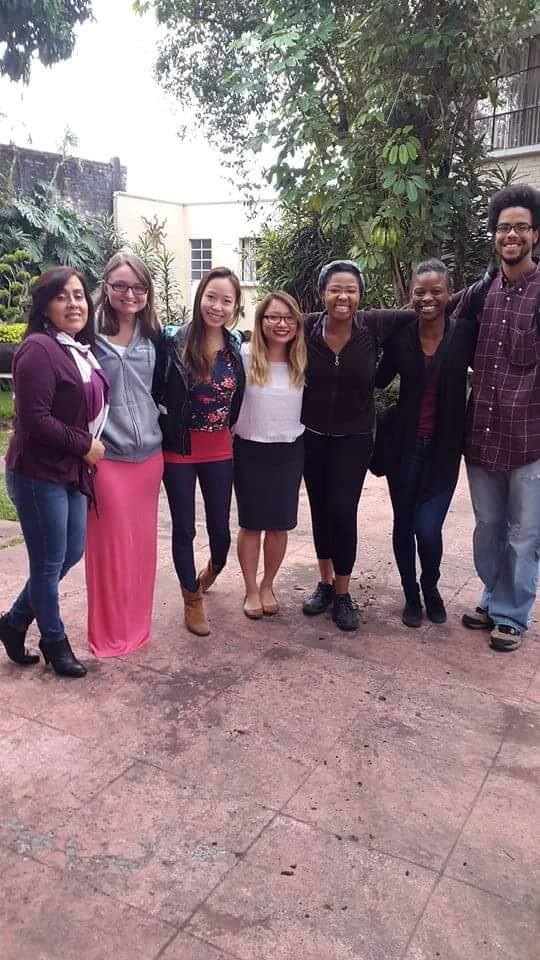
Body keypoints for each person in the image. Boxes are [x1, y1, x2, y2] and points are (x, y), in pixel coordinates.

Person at [0, 268, 107, 677]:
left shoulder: (75, 348)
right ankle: (54, 641)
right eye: (62, 297)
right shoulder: (38, 349)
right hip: (37, 472)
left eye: (79, 295)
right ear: (45, 306)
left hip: (69, 470)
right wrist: (85, 444)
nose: (74, 304)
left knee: (71, 551)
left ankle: (13, 622)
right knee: (47, 563)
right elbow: (35, 418)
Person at [301, 260, 417, 631]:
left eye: (350, 290)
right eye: (335, 289)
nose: (343, 297)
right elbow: (270, 321)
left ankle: (343, 592)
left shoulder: (373, 324)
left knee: (342, 508)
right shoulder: (306, 327)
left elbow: (424, 306)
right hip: (311, 434)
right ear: (323, 293)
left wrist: (484, 284)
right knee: (320, 508)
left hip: (354, 437)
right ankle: (324, 583)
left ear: (360, 295)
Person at [375, 258, 481, 627]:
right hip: (403, 448)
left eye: (436, 291)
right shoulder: (400, 337)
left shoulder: (465, 333)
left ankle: (430, 587)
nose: (427, 298)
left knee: (428, 528)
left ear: (449, 294)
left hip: (444, 449)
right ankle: (410, 594)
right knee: (404, 524)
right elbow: (377, 380)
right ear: (410, 295)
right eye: (419, 292)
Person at [462, 184, 540, 652]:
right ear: (494, 235)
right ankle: (492, 596)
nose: (512, 235)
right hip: (483, 435)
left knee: (524, 533)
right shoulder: (482, 292)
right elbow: (433, 312)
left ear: (535, 234)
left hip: (530, 438)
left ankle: (512, 613)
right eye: (504, 228)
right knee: (488, 528)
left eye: (521, 228)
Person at [157, 267, 245, 637]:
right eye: (211, 297)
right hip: (179, 449)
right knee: (184, 528)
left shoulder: (235, 344)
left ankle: (212, 569)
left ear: (235, 307)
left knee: (221, 532)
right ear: (200, 297)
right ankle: (191, 598)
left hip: (220, 449)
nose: (217, 306)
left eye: (226, 300)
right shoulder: (173, 340)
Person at [85, 253, 163, 657]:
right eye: (120, 286)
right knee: (111, 550)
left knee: (142, 548)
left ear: (147, 291)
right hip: (106, 457)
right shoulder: (88, 333)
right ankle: (108, 633)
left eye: (138, 287)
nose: (129, 294)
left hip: (149, 456)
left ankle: (138, 628)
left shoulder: (154, 335)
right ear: (106, 287)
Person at [233, 291, 306, 618]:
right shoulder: (244, 355)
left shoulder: (302, 359)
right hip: (249, 449)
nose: (281, 324)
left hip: (289, 451)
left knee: (279, 525)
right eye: (273, 317)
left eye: (289, 318)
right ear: (261, 320)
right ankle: (250, 589)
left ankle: (267, 585)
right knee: (251, 524)